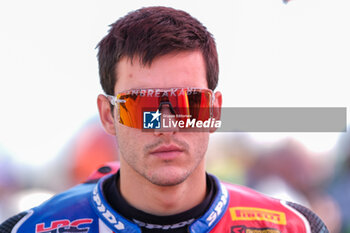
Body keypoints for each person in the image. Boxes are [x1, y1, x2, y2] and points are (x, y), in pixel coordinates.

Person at [0, 6, 328, 233]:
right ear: (108, 115)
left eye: (189, 103)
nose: (166, 124)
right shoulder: (27, 229)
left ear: (214, 112)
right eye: (142, 106)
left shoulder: (294, 226)